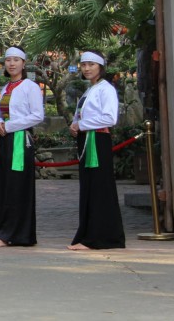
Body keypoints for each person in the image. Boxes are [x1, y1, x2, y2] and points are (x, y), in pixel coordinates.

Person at [0, 46, 44, 248]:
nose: (11, 64)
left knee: (18, 185)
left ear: (23, 64)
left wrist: (9, 126)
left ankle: (16, 234)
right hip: (7, 139)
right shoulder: (6, 87)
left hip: (20, 139)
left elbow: (37, 115)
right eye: (8, 60)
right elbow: (0, 113)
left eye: (16, 60)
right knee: (7, 186)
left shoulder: (30, 86)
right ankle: (6, 232)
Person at [68, 50, 125, 250]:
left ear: (100, 66)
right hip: (87, 139)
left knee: (100, 188)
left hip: (97, 141)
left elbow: (110, 118)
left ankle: (100, 237)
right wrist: (75, 125)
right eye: (84, 65)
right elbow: (81, 115)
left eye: (91, 64)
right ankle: (88, 235)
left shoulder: (105, 89)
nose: (87, 68)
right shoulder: (88, 90)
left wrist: (82, 125)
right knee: (90, 188)